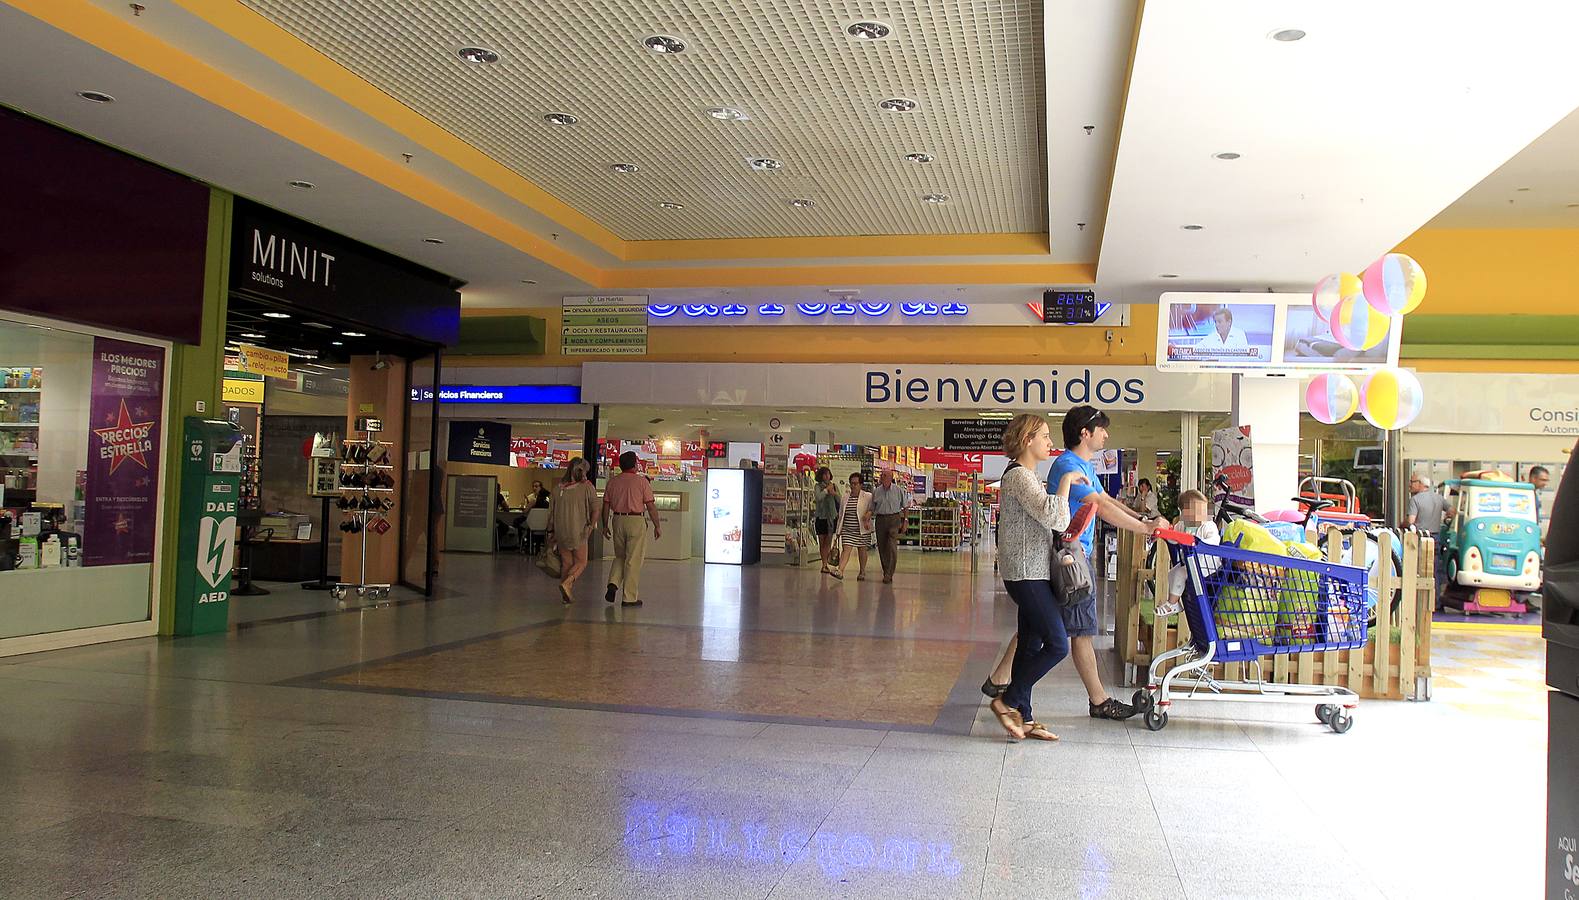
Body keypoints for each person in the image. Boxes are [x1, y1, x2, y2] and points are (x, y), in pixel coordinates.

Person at [1042, 404, 1164, 720]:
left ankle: (1000, 682)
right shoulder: (1067, 464)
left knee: (1036, 622)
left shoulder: (1084, 465)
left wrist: (1143, 517)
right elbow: (1099, 506)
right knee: (1081, 629)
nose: (1107, 435)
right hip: (1071, 558)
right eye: (1102, 429)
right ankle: (1099, 700)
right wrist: (1144, 529)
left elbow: (1106, 499)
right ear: (1086, 432)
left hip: (1073, 554)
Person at [986, 413, 1085, 742]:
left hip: (1032, 571)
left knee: (1031, 644)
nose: (1050, 442)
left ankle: (1024, 716)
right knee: (1058, 644)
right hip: (1027, 574)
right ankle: (1008, 700)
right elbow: (1054, 516)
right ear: (1027, 440)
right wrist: (1067, 481)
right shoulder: (1019, 477)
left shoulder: (1026, 476)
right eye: (1044, 436)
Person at [601, 451, 662, 607]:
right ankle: (629, 597)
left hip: (617, 520)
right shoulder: (642, 482)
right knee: (633, 560)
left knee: (620, 556)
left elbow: (606, 505)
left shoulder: (612, 482)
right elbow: (650, 506)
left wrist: (605, 525)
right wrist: (657, 525)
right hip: (636, 520)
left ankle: (613, 583)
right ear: (635, 464)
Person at [1154, 489, 1219, 618]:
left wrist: (1200, 544)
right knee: (1172, 573)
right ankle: (1176, 602)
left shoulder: (1208, 526)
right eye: (1197, 510)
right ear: (1185, 513)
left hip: (1207, 566)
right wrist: (1164, 533)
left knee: (1180, 573)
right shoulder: (1182, 525)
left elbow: (1214, 540)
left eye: (1204, 510)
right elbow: (1174, 537)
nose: (1202, 514)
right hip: (1192, 565)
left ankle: (1171, 604)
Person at [547, 457, 597, 604]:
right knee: (581, 562)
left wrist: (551, 531)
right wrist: (591, 526)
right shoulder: (587, 487)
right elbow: (595, 509)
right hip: (579, 530)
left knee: (567, 562)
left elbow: (551, 513)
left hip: (561, 531)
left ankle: (565, 597)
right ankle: (567, 583)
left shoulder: (558, 489)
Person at [871, 468, 910, 584]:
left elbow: (905, 506)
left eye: (885, 475)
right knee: (882, 547)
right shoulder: (876, 491)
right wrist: (868, 517)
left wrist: (905, 521)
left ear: (891, 477)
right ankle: (886, 570)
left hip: (894, 519)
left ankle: (889, 573)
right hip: (880, 519)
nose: (882, 477)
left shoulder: (898, 490)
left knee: (892, 546)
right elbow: (872, 507)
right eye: (882, 475)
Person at [836, 472, 874, 581]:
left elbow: (872, 508)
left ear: (861, 484)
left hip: (862, 529)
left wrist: (868, 515)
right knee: (846, 549)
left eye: (856, 483)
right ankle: (840, 570)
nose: (853, 486)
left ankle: (862, 571)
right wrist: (838, 530)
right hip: (848, 529)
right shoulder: (845, 497)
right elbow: (841, 515)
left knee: (862, 551)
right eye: (851, 483)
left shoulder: (867, 496)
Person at [813, 467, 842, 578]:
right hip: (821, 517)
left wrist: (833, 493)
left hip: (831, 517)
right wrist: (826, 491)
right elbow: (818, 497)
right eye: (824, 474)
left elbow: (840, 500)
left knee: (828, 541)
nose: (827, 476)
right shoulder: (817, 486)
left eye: (828, 474)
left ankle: (826, 563)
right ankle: (824, 564)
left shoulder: (834, 486)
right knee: (822, 540)